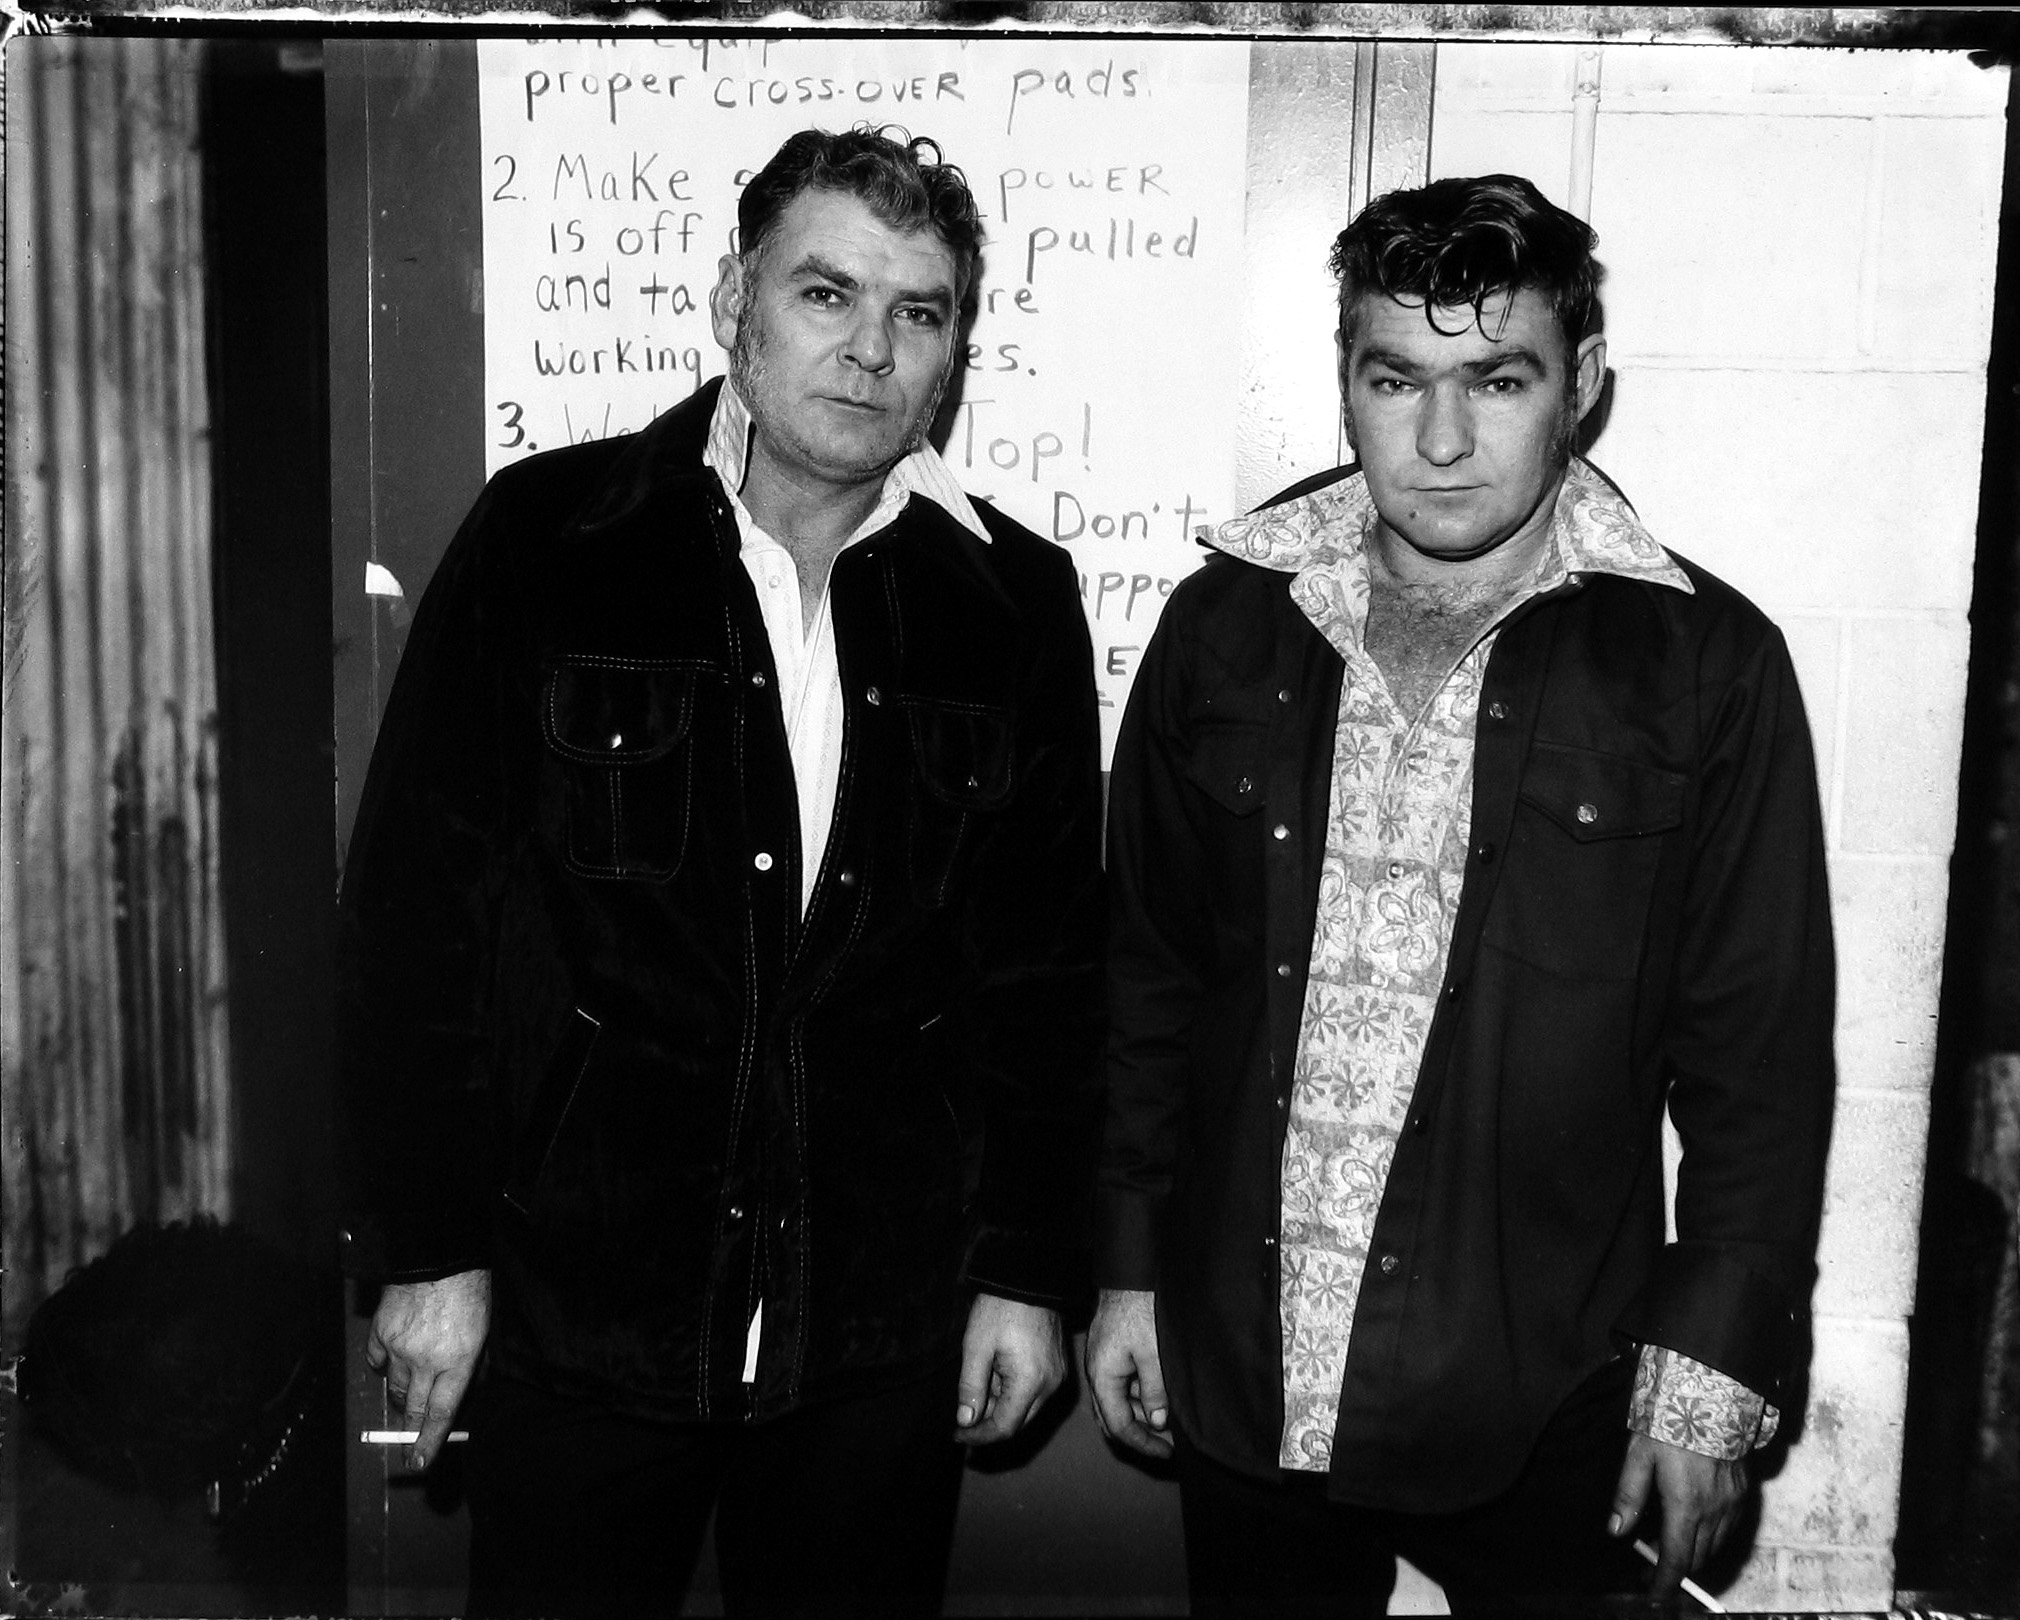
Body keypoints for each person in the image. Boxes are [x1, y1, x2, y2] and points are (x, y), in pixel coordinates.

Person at [336, 126, 1103, 1619]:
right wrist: (429, 1249)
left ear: (952, 348)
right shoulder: (550, 540)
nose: (872, 350)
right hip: (581, 1309)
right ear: (730, 303)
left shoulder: (1011, 600)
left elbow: (1050, 969)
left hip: (876, 1338)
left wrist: (1030, 1267)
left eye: (920, 312)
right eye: (827, 293)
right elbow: (411, 922)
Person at [1085, 173, 1835, 1615]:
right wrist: (1125, 1269)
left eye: (1495, 379)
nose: (1437, 440)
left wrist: (1714, 1366)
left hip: (1548, 1383)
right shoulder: (1228, 617)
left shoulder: (1708, 668)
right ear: (1347, 382)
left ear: (1583, 386)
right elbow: (1149, 977)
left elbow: (1761, 1057)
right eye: (1394, 378)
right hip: (1248, 1357)